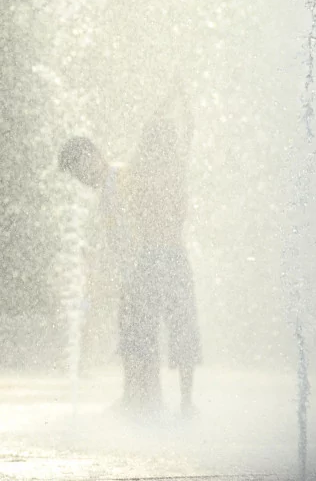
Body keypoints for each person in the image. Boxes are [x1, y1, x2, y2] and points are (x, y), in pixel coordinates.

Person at [58, 84, 201, 417]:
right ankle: (142, 397)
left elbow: (161, 141)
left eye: (81, 170)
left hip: (150, 261)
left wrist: (175, 96)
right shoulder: (119, 180)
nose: (82, 179)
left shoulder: (124, 176)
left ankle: (148, 399)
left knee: (145, 332)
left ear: (94, 155)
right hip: (142, 265)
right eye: (76, 176)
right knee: (139, 333)